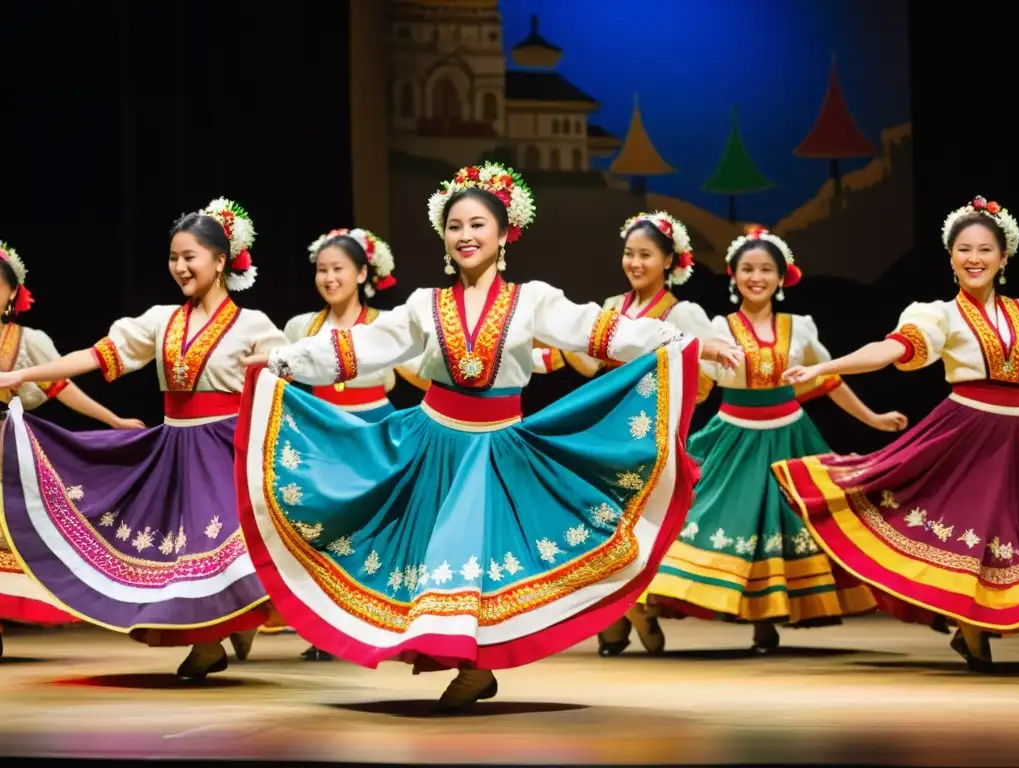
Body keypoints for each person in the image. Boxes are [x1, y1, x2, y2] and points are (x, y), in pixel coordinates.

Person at [235, 163, 742, 711]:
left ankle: (473, 667)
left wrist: (692, 343)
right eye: (455, 226)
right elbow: (360, 347)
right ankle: (462, 662)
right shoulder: (425, 304)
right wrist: (285, 360)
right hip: (432, 447)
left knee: (473, 563)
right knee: (430, 563)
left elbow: (601, 330)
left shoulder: (532, 300)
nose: (466, 236)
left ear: (504, 234)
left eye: (478, 224)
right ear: (444, 237)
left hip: (496, 450)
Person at [0, 198, 287, 679]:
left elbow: (284, 380)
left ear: (221, 261)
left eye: (190, 256)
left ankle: (227, 625)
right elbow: (93, 357)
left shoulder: (253, 325)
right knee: (179, 551)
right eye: (174, 257)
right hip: (177, 449)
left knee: (214, 544)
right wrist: (18, 376)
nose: (179, 266)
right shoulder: (160, 321)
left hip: (226, 449)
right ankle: (212, 639)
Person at [774, 196, 1019, 670]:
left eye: (986, 250)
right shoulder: (939, 315)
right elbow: (887, 350)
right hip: (969, 432)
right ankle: (972, 632)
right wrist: (825, 366)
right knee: (975, 528)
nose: (975, 258)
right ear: (951, 257)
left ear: (1003, 258)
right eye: (964, 249)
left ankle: (978, 631)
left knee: (1012, 531)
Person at [640, 226, 906, 653]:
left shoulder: (799, 328)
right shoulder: (718, 328)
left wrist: (872, 419)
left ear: (782, 279)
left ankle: (768, 619)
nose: (756, 277)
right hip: (733, 438)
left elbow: (826, 380)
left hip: (791, 436)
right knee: (708, 520)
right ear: (733, 276)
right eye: (747, 269)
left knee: (790, 526)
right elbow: (694, 379)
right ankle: (648, 605)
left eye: (766, 269)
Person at [533, 211, 716, 656]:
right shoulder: (612, 308)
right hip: (610, 435)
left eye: (645, 255)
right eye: (629, 254)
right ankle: (623, 613)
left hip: (652, 436)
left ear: (669, 260)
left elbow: (705, 380)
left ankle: (631, 610)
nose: (634, 263)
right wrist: (533, 357)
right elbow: (589, 363)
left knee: (637, 526)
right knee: (603, 525)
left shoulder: (682, 312)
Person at [280, 226, 420, 660]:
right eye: (322, 270)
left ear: (362, 273)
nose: (329, 278)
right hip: (321, 433)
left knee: (368, 532)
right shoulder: (301, 326)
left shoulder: (386, 325)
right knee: (320, 530)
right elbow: (283, 380)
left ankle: (372, 622)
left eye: (338, 269)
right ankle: (326, 628)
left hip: (373, 433)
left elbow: (421, 374)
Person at [0, 240, 144, 658]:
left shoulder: (29, 341)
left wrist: (112, 420)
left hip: (8, 449)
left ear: (12, 294)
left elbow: (63, 389)